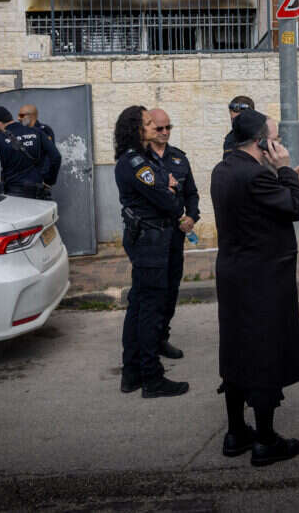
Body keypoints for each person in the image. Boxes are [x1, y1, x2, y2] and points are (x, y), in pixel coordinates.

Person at [211, 109, 299, 467]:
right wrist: (285, 171)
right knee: (265, 352)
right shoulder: (257, 177)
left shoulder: (225, 168)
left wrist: (280, 178)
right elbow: (298, 209)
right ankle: (266, 440)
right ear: (261, 142)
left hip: (235, 274)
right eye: (275, 137)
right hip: (264, 278)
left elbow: (256, 203)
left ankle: (236, 432)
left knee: (236, 349)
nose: (279, 142)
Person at [114, 105, 189, 399]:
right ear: (136, 129)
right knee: (148, 310)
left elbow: (167, 190)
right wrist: (167, 188)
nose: (152, 127)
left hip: (149, 238)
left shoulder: (140, 159)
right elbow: (170, 203)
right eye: (146, 123)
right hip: (150, 240)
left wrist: (167, 185)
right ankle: (151, 377)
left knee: (138, 306)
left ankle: (131, 373)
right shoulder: (135, 163)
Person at [147, 108, 200, 360]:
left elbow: (191, 192)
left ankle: (161, 337)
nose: (165, 132)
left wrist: (192, 216)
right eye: (160, 128)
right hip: (151, 235)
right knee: (151, 291)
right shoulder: (139, 160)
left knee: (171, 288)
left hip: (175, 235)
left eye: (169, 127)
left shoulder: (178, 158)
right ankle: (147, 340)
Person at [0, 106, 60, 199]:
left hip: (13, 193)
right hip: (37, 191)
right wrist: (49, 181)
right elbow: (56, 157)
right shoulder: (37, 132)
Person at [18, 104, 61, 186]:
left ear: (31, 116)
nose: (18, 118)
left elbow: (50, 155)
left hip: (39, 178)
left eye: (21, 115)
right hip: (21, 179)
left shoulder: (44, 130)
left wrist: (46, 178)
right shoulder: (20, 131)